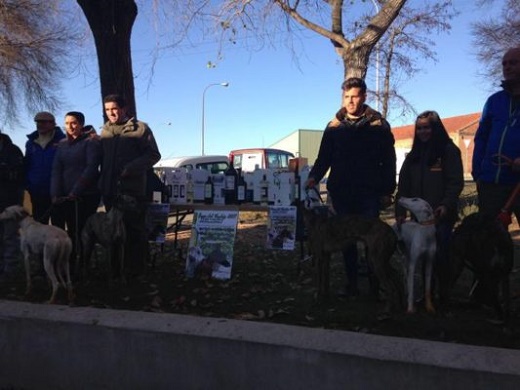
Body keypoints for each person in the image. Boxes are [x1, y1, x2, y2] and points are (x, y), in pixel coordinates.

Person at [306, 77, 396, 297]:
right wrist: (313, 177)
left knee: (372, 245)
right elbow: (323, 158)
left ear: (364, 96)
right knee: (346, 244)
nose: (350, 101)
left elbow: (389, 160)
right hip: (342, 193)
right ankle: (352, 285)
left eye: (355, 96)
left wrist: (387, 191)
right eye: (346, 97)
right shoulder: (333, 126)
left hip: (369, 194)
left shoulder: (379, 125)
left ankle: (376, 290)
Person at [395, 110, 464, 301]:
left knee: (440, 255)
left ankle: (443, 293)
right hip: (419, 219)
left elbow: (455, 182)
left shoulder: (448, 151)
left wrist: (446, 204)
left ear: (435, 128)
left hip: (440, 216)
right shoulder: (413, 156)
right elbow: (404, 187)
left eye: (427, 128)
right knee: (420, 256)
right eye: (419, 128)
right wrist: (400, 211)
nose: (423, 132)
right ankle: (426, 294)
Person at [98, 94, 161, 277]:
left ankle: (137, 271)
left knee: (134, 233)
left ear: (124, 109)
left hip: (132, 192)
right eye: (108, 110)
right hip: (110, 191)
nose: (111, 113)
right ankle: (116, 271)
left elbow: (153, 155)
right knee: (113, 233)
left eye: (115, 109)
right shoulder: (105, 131)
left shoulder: (140, 129)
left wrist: (131, 168)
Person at [472, 47, 520, 222]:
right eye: (504, 64)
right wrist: (478, 173)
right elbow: (481, 137)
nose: (507, 67)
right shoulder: (494, 101)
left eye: (513, 62)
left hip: (517, 183)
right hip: (491, 182)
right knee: (490, 238)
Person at [50, 111, 101, 268]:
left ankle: (84, 263)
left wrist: (76, 190)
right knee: (69, 232)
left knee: (82, 232)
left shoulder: (91, 142)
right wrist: (55, 193)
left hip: (86, 195)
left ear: (81, 125)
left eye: (74, 123)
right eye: (67, 123)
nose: (70, 126)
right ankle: (70, 264)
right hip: (66, 196)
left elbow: (92, 168)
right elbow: (56, 170)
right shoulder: (62, 144)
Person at [24, 111, 66, 224]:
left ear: (52, 123)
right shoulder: (30, 143)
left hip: (57, 191)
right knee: (39, 225)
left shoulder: (63, 141)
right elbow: (27, 164)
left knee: (58, 225)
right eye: (37, 122)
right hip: (37, 191)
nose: (39, 125)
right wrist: (28, 184)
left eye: (43, 122)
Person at [0, 129, 24, 279]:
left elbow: (17, 175)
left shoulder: (13, 151)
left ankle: (11, 270)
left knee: (9, 236)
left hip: (10, 201)